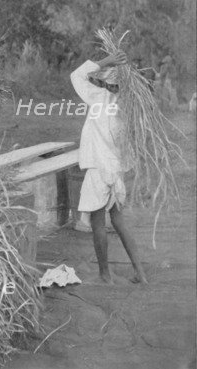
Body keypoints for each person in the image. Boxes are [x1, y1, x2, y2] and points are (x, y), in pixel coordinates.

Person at [70, 52, 148, 285]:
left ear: (104, 81)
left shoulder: (97, 97)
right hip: (115, 171)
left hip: (98, 169)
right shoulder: (128, 107)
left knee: (97, 223)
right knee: (118, 220)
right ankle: (140, 272)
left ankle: (105, 275)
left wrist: (106, 62)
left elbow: (76, 75)